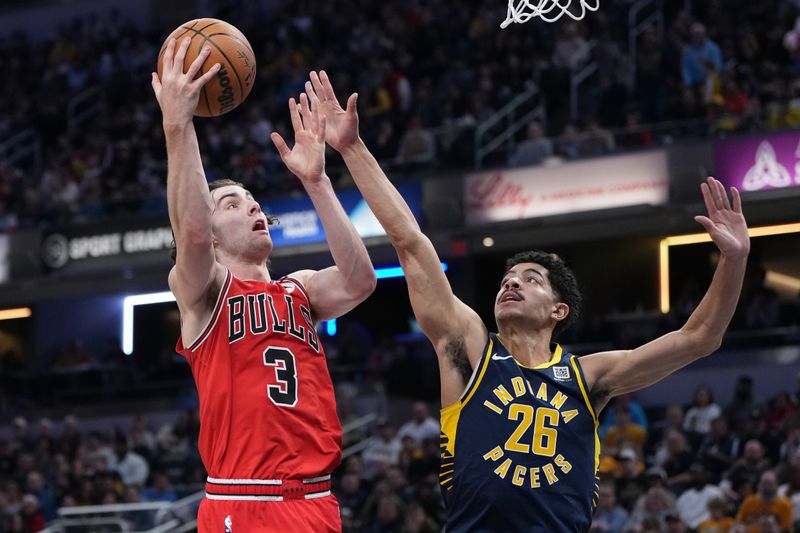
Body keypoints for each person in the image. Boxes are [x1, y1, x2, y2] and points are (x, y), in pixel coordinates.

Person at [305, 70, 750, 531]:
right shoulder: (471, 350)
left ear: (559, 311)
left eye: (531, 279)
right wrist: (353, 149)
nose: (510, 284)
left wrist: (733, 260)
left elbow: (700, 337)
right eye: (507, 278)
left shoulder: (589, 377)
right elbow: (411, 243)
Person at [150, 41, 376, 532]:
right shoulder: (202, 290)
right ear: (211, 233)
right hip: (244, 500)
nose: (251, 206)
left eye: (251, 199)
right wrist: (179, 125)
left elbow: (360, 280)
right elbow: (188, 230)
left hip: (316, 501)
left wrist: (317, 182)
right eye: (232, 204)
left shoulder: (300, 290)